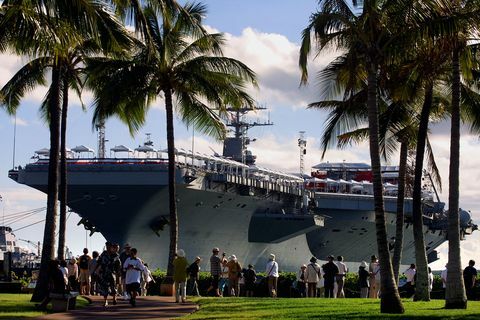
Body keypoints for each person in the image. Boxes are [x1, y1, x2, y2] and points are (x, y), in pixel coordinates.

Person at [97, 242, 121, 307]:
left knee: (113, 287)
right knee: (104, 287)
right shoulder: (104, 254)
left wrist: (118, 272)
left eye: (109, 246)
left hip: (112, 273)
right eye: (107, 246)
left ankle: (114, 298)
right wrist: (97, 270)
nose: (107, 247)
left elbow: (118, 264)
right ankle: (105, 301)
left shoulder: (115, 255)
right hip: (104, 273)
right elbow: (99, 262)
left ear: (111, 247)